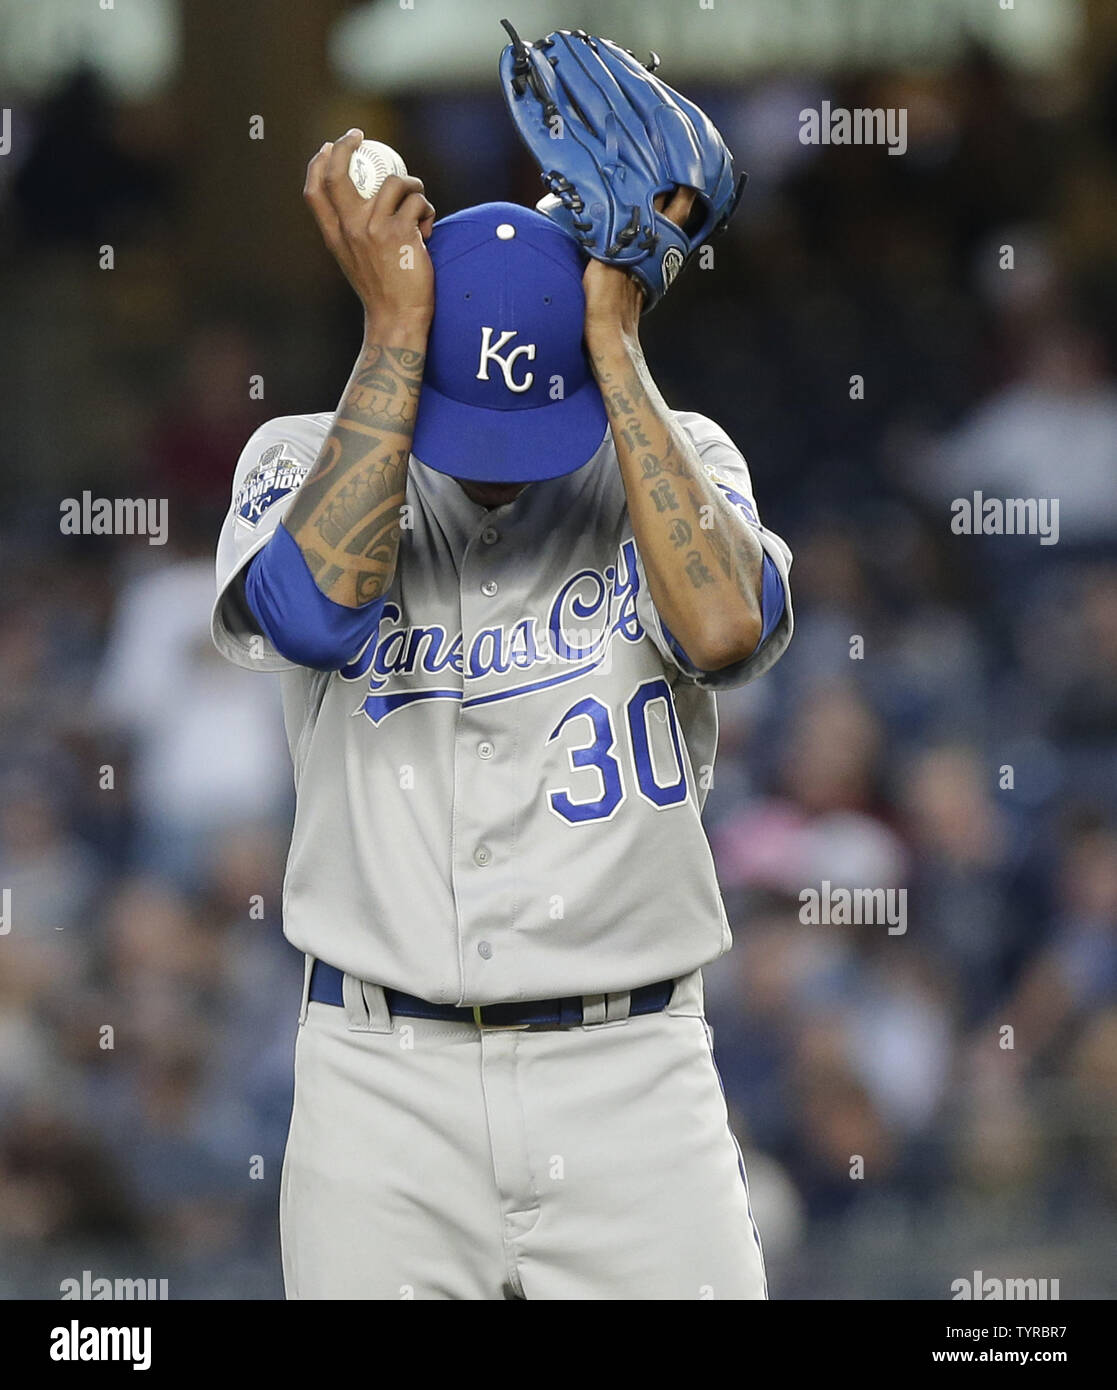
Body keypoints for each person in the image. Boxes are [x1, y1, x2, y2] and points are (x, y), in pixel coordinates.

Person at [211, 127, 794, 1300]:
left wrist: (615, 340)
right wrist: (395, 331)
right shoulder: (297, 455)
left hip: (632, 1073)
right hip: (381, 1081)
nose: (500, 466)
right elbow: (316, 617)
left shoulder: (680, 457)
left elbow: (726, 633)